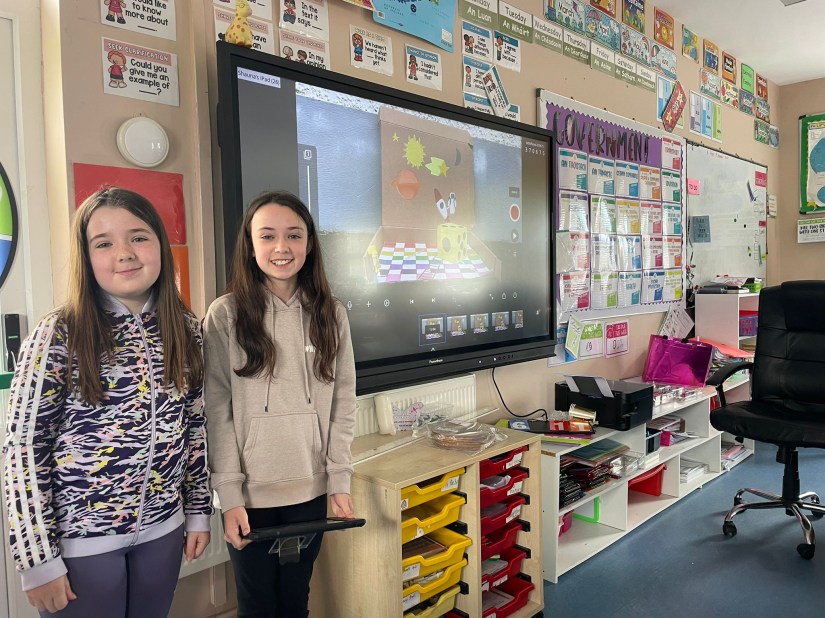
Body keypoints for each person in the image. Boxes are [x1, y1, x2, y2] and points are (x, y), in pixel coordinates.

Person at [2, 187, 212, 617]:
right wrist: (37, 558)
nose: (124, 253)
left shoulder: (186, 327)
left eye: (138, 237)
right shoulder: (58, 332)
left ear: (160, 245)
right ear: (86, 256)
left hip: (162, 530)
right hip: (81, 542)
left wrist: (197, 512)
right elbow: (22, 447)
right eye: (104, 243)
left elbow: (194, 426)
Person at [204, 190, 357, 617]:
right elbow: (216, 411)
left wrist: (339, 479)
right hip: (250, 496)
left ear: (309, 244)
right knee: (256, 606)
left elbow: (343, 401)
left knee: (295, 601)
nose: (281, 247)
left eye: (293, 235)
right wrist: (229, 495)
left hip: (310, 489)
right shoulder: (225, 315)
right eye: (267, 236)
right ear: (250, 246)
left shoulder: (331, 314)